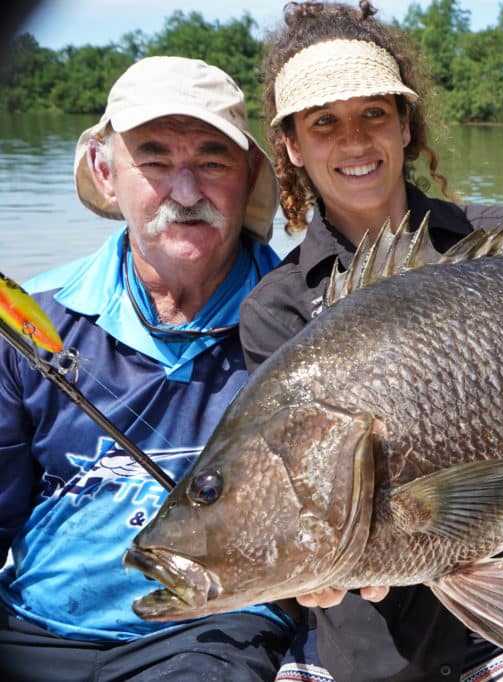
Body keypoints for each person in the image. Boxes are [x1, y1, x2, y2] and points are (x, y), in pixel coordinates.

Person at [242, 3, 503, 680]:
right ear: (289, 145)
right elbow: (295, 487)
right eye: (324, 123)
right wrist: (303, 571)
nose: (354, 140)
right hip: (375, 636)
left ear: (406, 123)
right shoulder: (277, 309)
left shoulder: (501, 246)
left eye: (374, 113)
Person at [0, 56, 293, 680]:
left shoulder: (303, 319)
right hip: (34, 623)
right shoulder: (29, 321)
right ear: (107, 174)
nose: (185, 193)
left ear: (248, 176)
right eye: (155, 161)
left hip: (216, 632)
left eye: (212, 161)